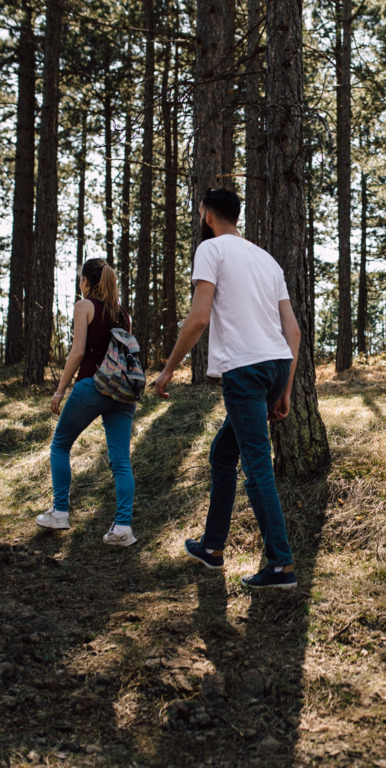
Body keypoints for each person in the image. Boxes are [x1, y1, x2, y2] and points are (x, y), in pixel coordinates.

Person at [153, 187, 301, 589]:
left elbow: (199, 318)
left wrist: (167, 371)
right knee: (223, 453)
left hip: (245, 371)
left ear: (207, 216)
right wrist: (284, 386)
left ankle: (280, 565)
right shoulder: (266, 259)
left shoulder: (211, 250)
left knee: (257, 468)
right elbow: (293, 330)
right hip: (273, 367)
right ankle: (212, 547)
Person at [36, 258, 138, 547]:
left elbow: (77, 353)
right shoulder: (123, 314)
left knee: (60, 445)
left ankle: (60, 511)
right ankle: (122, 528)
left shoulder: (84, 306)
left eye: (80, 279)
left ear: (85, 281)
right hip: (122, 392)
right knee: (121, 461)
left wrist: (59, 391)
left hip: (92, 386)